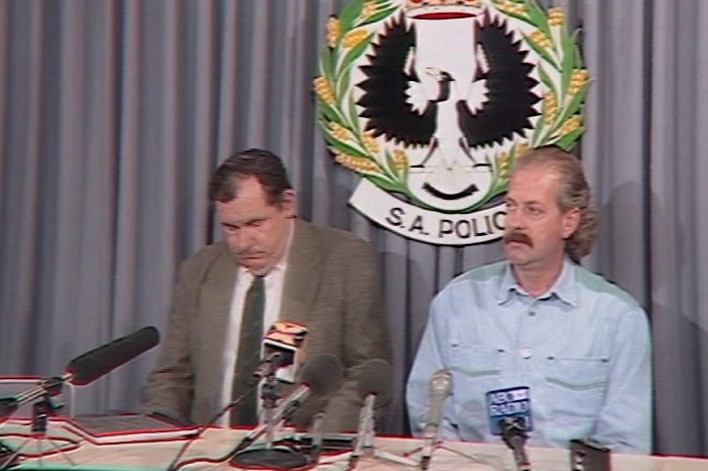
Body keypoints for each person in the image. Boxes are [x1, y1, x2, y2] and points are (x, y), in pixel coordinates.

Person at [406, 146, 651, 453]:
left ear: (569, 222)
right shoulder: (457, 302)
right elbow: (429, 417)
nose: (515, 223)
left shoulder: (617, 318)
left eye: (533, 210)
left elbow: (625, 443)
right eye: (510, 207)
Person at [143, 148, 391, 432]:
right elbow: (172, 375)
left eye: (255, 223)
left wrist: (319, 442)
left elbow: (367, 371)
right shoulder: (199, 269)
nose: (243, 242)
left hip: (305, 454)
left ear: (287, 204)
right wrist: (160, 438)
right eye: (230, 228)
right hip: (210, 453)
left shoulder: (344, 259)